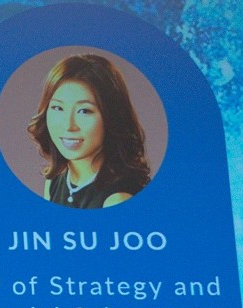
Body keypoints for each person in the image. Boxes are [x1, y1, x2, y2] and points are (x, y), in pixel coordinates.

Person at [25, 53, 152, 209]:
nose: (68, 125)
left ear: (111, 116)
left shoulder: (118, 200)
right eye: (58, 108)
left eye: (84, 111)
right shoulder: (54, 181)